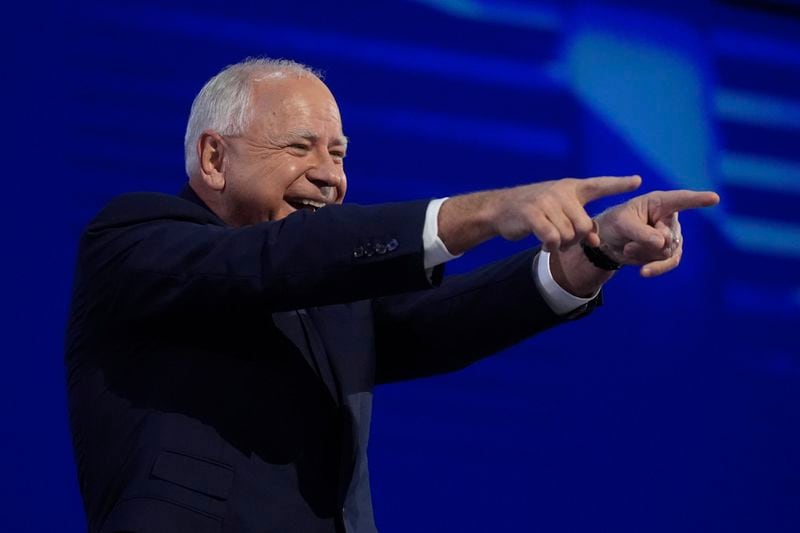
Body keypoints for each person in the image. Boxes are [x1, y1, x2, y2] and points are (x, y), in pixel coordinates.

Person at [65, 57, 719, 533]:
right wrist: (488, 212)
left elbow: (448, 319)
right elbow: (274, 259)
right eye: (302, 148)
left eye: (340, 153)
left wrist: (594, 249)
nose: (330, 175)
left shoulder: (331, 300)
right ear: (214, 158)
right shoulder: (137, 239)